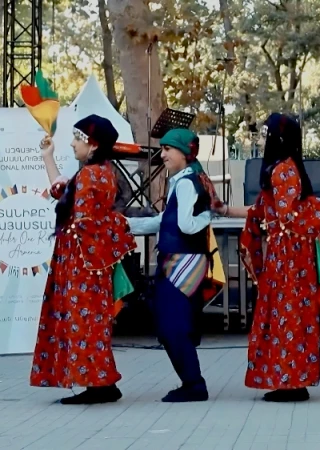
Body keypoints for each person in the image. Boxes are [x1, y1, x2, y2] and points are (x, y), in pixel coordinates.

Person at [216, 113, 320, 402]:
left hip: (288, 256)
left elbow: (286, 215)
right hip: (290, 254)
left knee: (286, 313)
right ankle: (293, 380)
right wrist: (225, 210)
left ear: (276, 138)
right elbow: (262, 210)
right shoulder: (285, 168)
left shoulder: (282, 170)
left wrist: (319, 208)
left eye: (265, 134)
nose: (262, 139)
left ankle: (291, 382)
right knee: (291, 313)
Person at [30, 114, 137, 405]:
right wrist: (48, 157)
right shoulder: (103, 171)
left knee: (83, 319)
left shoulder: (91, 174)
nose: (73, 143)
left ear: (93, 144)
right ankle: (102, 381)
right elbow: (64, 194)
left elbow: (82, 219)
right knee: (93, 321)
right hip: (91, 260)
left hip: (82, 261)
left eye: (78, 138)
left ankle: (98, 386)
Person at [127, 128, 222, 402]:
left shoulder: (186, 183)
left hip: (183, 262)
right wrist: (129, 225)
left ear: (184, 152)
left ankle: (194, 384)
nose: (163, 154)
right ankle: (191, 382)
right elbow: (166, 220)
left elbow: (187, 225)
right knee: (173, 323)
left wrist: (211, 215)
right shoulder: (184, 180)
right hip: (180, 260)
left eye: (168, 149)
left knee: (172, 325)